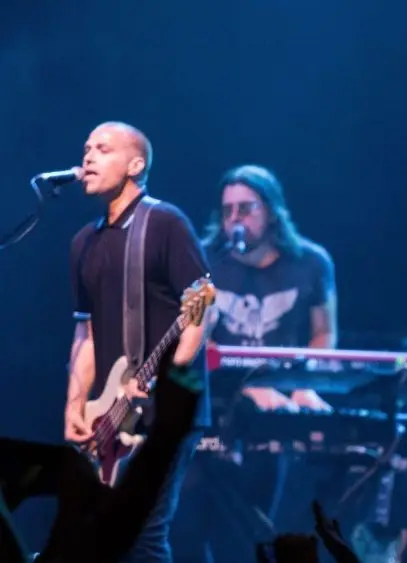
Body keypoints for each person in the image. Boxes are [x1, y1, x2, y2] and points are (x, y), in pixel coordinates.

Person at [65, 121, 211, 562]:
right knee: (102, 535)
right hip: (110, 413)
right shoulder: (83, 243)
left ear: (135, 164)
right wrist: (75, 403)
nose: (88, 156)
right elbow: (86, 333)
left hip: (163, 410)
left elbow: (203, 306)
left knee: (145, 534)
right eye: (86, 147)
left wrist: (170, 374)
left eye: (102, 149)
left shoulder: (164, 222)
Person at [201, 164, 337, 350]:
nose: (234, 218)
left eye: (244, 209)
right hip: (220, 376)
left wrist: (304, 376)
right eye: (227, 211)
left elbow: (324, 333)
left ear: (272, 212)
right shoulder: (203, 259)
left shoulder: (312, 262)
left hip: (286, 378)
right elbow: (196, 336)